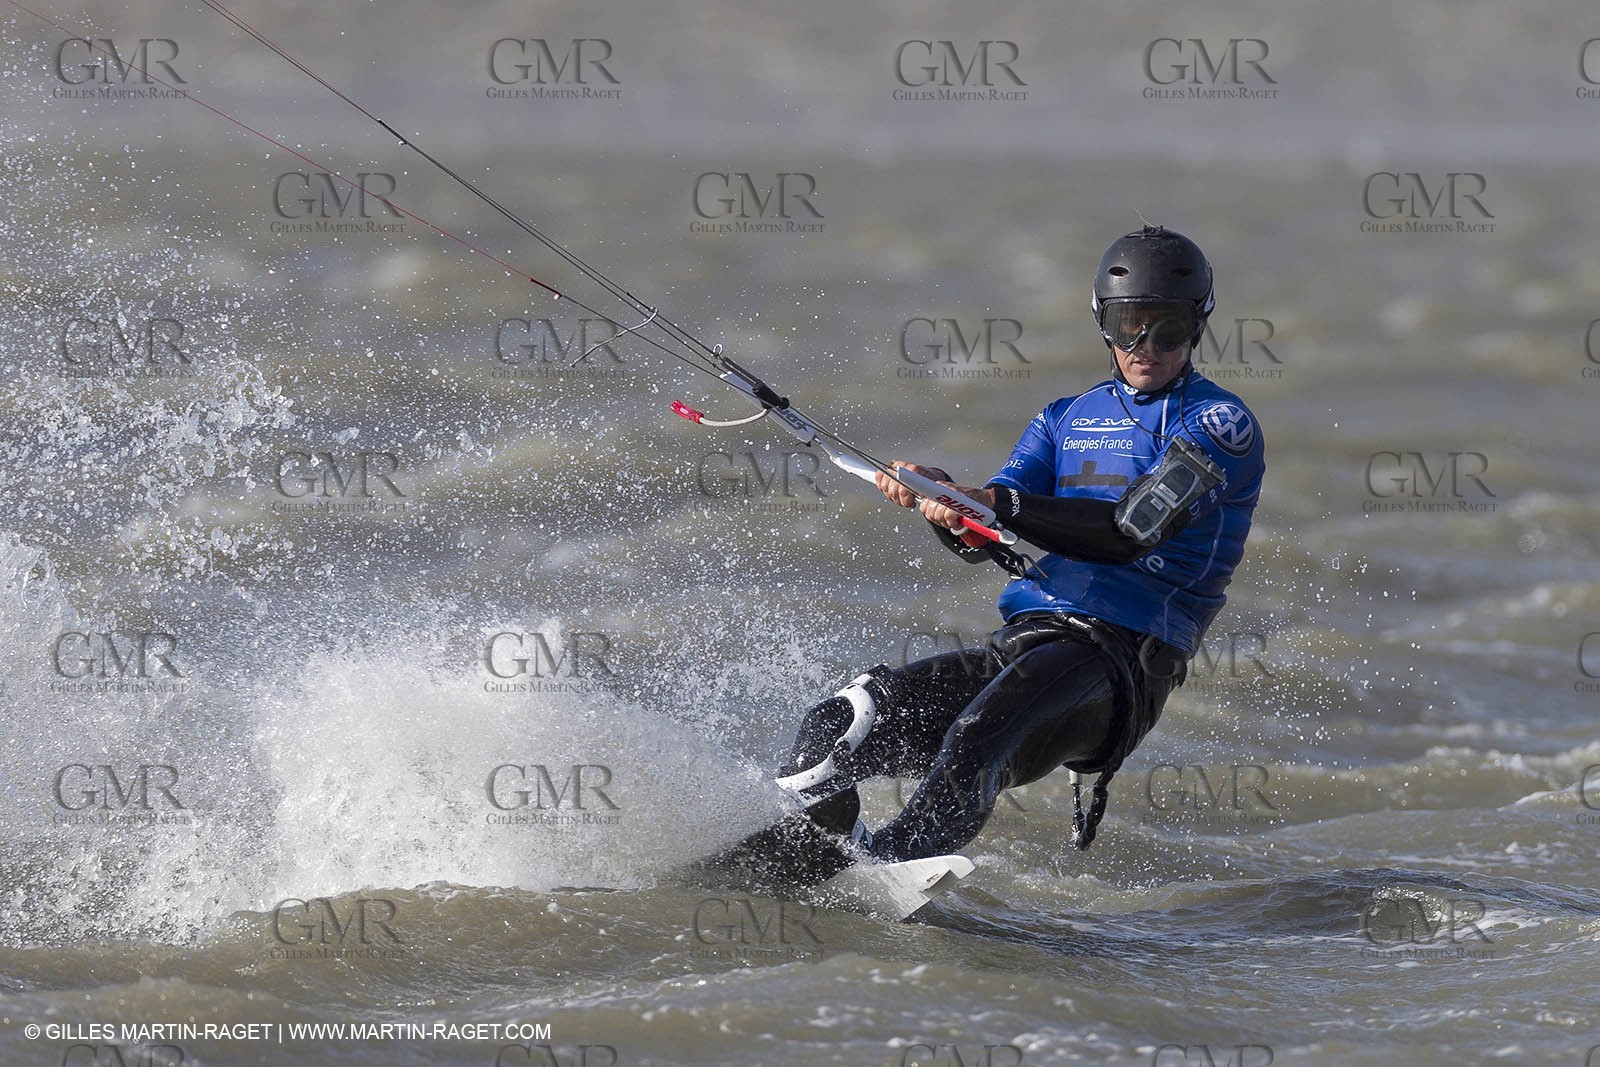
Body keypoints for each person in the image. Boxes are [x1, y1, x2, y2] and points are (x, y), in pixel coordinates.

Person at [748, 225, 1266, 884]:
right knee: (845, 717)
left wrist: (991, 501)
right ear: (1102, 324)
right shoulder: (1062, 418)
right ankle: (810, 839)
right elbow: (985, 532)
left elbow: (1129, 530)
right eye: (1128, 326)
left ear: (1198, 327)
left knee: (976, 739)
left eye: (1168, 330)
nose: (1146, 348)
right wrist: (944, 501)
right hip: (1026, 640)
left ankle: (883, 869)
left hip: (1118, 664)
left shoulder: (1220, 424)